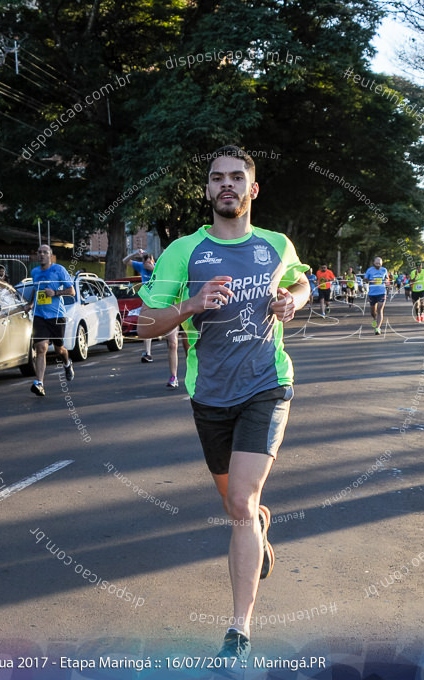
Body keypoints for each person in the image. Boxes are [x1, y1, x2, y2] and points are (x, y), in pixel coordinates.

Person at [137, 146, 310, 664]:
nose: (227, 186)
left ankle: (239, 632)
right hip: (209, 395)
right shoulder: (182, 252)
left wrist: (293, 300)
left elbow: (301, 279)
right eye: (218, 179)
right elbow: (143, 324)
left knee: (238, 504)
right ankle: (258, 526)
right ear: (208, 190)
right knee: (238, 506)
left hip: (267, 385)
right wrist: (188, 305)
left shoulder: (276, 243)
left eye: (238, 178)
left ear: (252, 190)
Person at [124, 249, 182, 387]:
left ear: (153, 261)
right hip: (150, 305)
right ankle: (147, 353)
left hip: (168, 306)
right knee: (146, 329)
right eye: (144, 262)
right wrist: (134, 254)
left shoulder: (160, 269)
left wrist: (154, 269)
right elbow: (125, 261)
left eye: (148, 261)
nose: (146, 264)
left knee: (173, 343)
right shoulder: (140, 266)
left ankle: (174, 376)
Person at [27, 244, 75, 396]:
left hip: (57, 316)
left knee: (59, 349)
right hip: (40, 316)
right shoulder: (34, 272)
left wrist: (54, 292)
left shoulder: (58, 270)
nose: (41, 255)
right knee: (41, 348)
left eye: (45, 252)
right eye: (39, 252)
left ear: (50, 256)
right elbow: (36, 289)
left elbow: (71, 291)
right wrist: (30, 303)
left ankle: (67, 363)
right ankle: (40, 383)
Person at [364, 256, 389, 335]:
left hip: (382, 292)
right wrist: (371, 280)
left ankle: (378, 328)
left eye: (380, 263)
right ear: (374, 263)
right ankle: (375, 318)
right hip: (372, 293)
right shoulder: (369, 270)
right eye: (377, 263)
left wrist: (386, 281)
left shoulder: (384, 270)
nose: (378, 264)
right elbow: (365, 279)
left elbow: (387, 278)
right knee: (373, 311)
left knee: (379, 309)